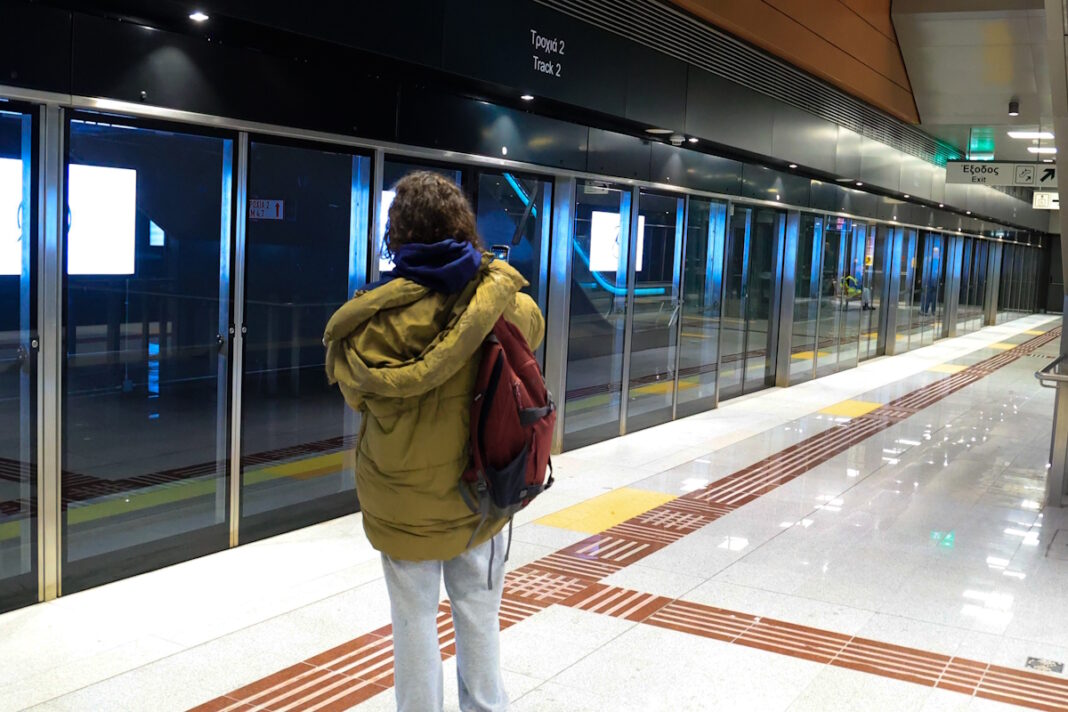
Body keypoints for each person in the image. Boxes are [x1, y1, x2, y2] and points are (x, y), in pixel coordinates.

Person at [323, 172, 545, 712]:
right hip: (481, 491)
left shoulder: (375, 321)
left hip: (401, 500)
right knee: (479, 615)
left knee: (414, 624)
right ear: (462, 225)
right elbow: (533, 335)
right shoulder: (502, 303)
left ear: (398, 232)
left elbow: (356, 395)